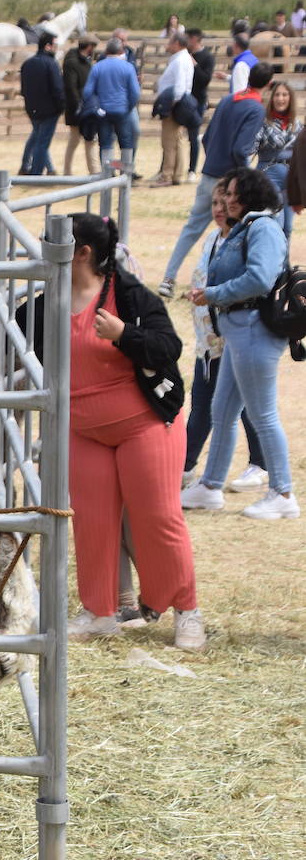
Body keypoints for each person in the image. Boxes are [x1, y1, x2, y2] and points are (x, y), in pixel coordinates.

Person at [0, 213, 204, 650]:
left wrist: (124, 334)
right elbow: (0, 333)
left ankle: (187, 610)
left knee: (158, 518)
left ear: (82, 253)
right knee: (91, 521)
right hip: (86, 430)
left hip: (144, 424)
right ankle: (99, 612)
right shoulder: (51, 300)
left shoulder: (128, 297)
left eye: (51, 244)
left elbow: (169, 348)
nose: (40, 251)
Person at [182, 168, 297, 520]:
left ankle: (282, 492)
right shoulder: (247, 227)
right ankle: (210, 486)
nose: (226, 200)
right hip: (237, 330)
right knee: (223, 410)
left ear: (248, 195)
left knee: (262, 413)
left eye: (232, 194)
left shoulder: (262, 228)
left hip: (253, 329)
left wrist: (213, 294)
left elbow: (260, 278)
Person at [182, 182, 267, 493]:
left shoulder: (243, 241)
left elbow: (248, 284)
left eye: (225, 201)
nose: (219, 208)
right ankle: (190, 468)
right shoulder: (213, 240)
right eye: (215, 202)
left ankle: (260, 466)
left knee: (232, 406)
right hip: (209, 343)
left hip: (231, 339)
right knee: (220, 406)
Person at [160, 62, 272, 296]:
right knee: (234, 232)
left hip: (210, 173)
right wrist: (244, 177)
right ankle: (217, 283)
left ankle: (168, 278)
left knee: (193, 227)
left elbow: (206, 138)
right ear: (269, 84)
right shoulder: (256, 108)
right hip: (231, 178)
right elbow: (242, 149)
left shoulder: (229, 100)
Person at [82, 38, 141, 174]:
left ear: (107, 51)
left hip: (103, 112)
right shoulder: (128, 67)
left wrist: (96, 106)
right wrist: (128, 107)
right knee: (126, 144)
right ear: (121, 51)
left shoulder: (97, 67)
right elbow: (135, 92)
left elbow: (87, 92)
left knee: (106, 144)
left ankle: (107, 174)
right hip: (122, 110)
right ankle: (125, 175)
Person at [256, 80, 300, 240]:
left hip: (290, 181)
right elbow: (249, 148)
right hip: (268, 176)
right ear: (272, 98)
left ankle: (284, 264)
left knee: (288, 227)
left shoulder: (297, 124)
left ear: (290, 98)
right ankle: (274, 264)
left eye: (285, 95)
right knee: (277, 222)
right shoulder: (263, 123)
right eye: (277, 95)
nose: (281, 98)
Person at [152, 33, 194, 188]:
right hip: (177, 103)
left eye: (170, 42)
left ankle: (167, 175)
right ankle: (177, 174)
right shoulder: (182, 59)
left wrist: (171, 105)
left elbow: (179, 86)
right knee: (178, 140)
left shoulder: (179, 61)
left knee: (169, 142)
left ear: (176, 43)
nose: (167, 44)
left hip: (173, 105)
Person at [19, 32, 63, 176]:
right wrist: (61, 107)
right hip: (49, 110)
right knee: (42, 143)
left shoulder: (27, 64)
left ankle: (28, 165)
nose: (57, 48)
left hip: (32, 109)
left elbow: (24, 89)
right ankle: (36, 173)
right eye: (55, 45)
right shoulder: (51, 64)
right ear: (48, 46)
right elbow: (57, 88)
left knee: (36, 138)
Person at [62, 34, 99, 175]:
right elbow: (71, 87)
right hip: (78, 109)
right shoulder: (72, 63)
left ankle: (94, 171)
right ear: (89, 47)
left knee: (88, 139)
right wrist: (79, 106)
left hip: (86, 108)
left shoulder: (85, 62)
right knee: (76, 140)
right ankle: (68, 171)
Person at [186, 28, 215, 182]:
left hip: (198, 101)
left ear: (195, 39)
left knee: (193, 136)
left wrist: (195, 65)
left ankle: (192, 169)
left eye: (188, 38)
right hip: (183, 99)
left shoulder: (207, 57)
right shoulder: (184, 54)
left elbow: (205, 80)